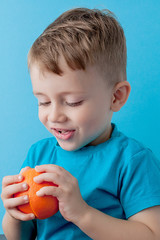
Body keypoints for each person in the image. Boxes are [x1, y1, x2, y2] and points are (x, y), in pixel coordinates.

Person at [1, 7, 160, 240]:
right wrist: (14, 213)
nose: (55, 115)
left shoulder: (132, 161)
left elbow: (152, 234)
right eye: (43, 102)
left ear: (116, 97)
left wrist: (82, 213)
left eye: (73, 102)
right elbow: (21, 237)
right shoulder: (39, 154)